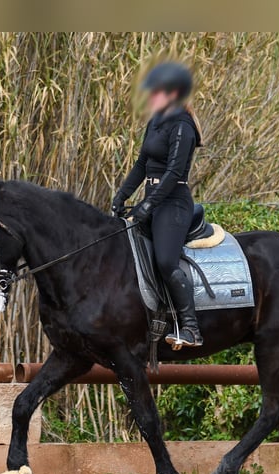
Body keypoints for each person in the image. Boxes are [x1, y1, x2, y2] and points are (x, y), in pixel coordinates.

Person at [112, 62, 204, 348]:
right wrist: (121, 196)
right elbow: (142, 164)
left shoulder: (182, 127)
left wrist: (149, 204)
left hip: (173, 204)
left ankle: (190, 328)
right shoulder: (156, 121)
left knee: (165, 261)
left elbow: (175, 172)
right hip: (152, 200)